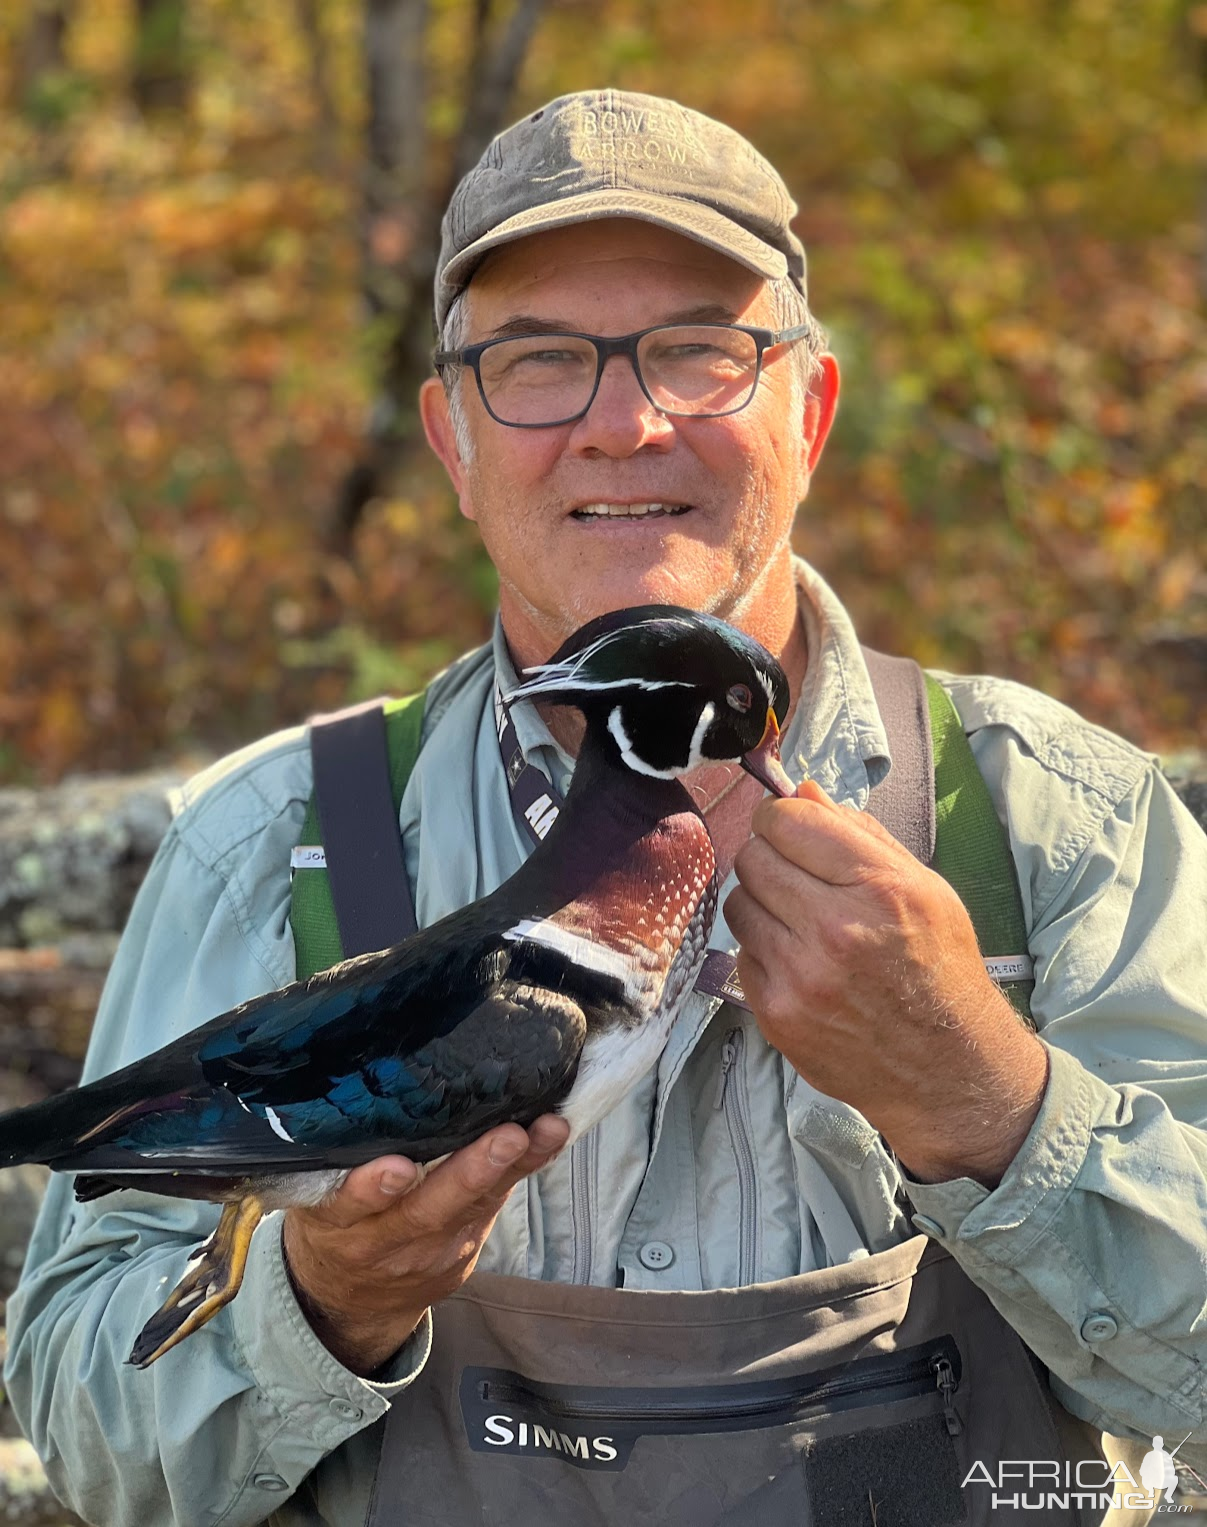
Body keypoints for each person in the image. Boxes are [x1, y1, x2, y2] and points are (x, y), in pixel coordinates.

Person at [6, 88, 1206, 1527]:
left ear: (808, 410)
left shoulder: (1052, 820)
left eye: (702, 351)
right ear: (449, 438)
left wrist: (987, 1103)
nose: (625, 424)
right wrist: (316, 1304)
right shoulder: (271, 841)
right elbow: (91, 1441)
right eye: (537, 361)